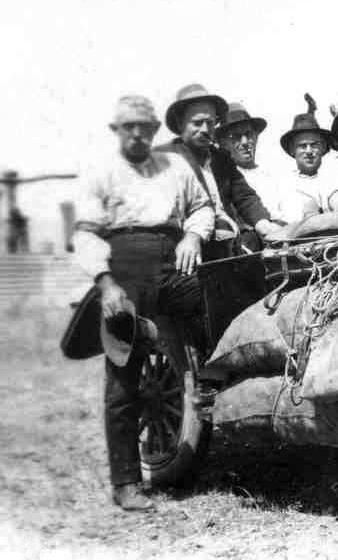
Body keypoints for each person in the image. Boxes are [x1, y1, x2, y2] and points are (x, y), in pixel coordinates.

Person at [73, 95, 214, 511]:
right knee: (123, 377)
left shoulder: (174, 166)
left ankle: (205, 383)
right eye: (129, 127)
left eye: (145, 128)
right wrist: (106, 283)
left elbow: (202, 207)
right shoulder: (101, 172)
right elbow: (85, 234)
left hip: (171, 260)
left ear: (155, 131)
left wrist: (192, 235)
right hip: (123, 269)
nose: (137, 134)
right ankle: (127, 484)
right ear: (117, 130)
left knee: (213, 302)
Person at [155, 84, 282, 256]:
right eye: (197, 123)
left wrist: (263, 223)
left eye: (210, 123)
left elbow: (244, 196)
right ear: (180, 124)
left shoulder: (221, 158)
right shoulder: (165, 159)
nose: (205, 130)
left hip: (230, 240)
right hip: (190, 246)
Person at [215, 101, 285, 221]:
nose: (244, 142)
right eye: (235, 137)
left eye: (249, 134)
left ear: (256, 137)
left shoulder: (274, 174)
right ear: (223, 143)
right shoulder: (224, 180)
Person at [278, 95, 336, 222]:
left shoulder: (336, 177)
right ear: (293, 151)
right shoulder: (285, 185)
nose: (309, 151)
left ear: (323, 148)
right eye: (302, 146)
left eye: (314, 145)